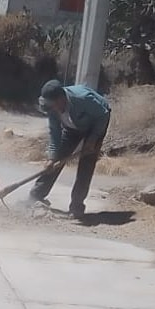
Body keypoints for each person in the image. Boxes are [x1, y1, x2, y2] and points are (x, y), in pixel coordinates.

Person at [29, 79, 111, 218]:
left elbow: (103, 115)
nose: (53, 110)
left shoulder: (82, 99)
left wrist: (92, 139)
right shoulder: (51, 108)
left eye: (54, 106)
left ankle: (77, 206)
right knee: (55, 162)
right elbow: (55, 132)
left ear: (61, 99)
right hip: (72, 127)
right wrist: (51, 157)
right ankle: (35, 196)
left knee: (86, 163)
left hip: (95, 124)